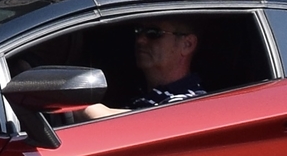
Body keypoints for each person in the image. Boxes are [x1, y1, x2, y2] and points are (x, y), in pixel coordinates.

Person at [76, 20, 207, 120]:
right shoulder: (137, 93)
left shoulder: (191, 102)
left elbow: (149, 122)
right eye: (138, 31)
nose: (140, 40)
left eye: (153, 33)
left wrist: (76, 104)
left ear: (187, 44)